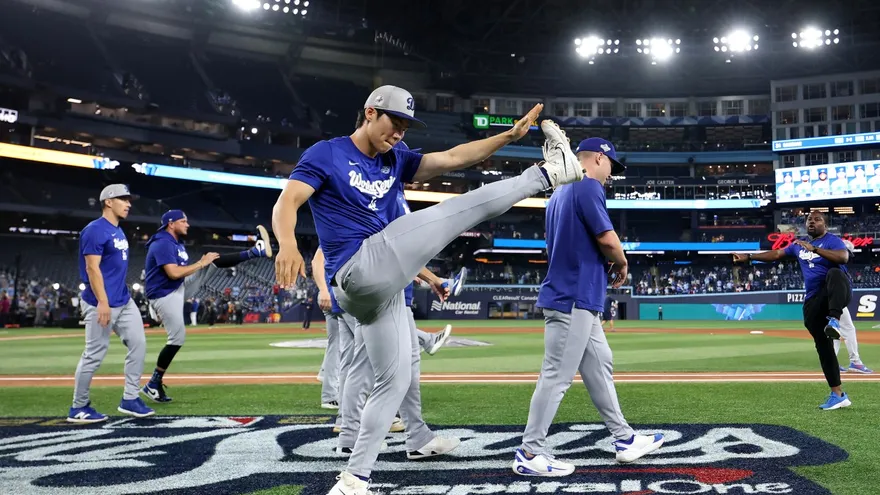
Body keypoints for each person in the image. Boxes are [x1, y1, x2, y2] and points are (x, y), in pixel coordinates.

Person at [272, 85, 584, 495]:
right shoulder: (326, 153)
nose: (399, 132)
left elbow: (454, 158)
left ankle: (354, 478)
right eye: (393, 122)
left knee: (394, 381)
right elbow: (287, 201)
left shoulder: (396, 158)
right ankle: (549, 173)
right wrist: (289, 244)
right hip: (358, 268)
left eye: (405, 126)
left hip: (379, 290)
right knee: (453, 211)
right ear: (369, 113)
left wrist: (508, 137)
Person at [512, 138, 664, 477]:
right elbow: (607, 239)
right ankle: (529, 452)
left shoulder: (559, 193)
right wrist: (622, 262)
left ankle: (624, 439)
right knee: (556, 375)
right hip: (574, 297)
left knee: (600, 364)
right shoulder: (588, 184)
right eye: (611, 165)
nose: (611, 174)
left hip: (577, 296)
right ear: (598, 158)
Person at [141, 209, 273, 403]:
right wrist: (201, 263)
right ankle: (153, 383)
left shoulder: (174, 242)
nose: (187, 224)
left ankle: (256, 251)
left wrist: (205, 262)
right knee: (177, 338)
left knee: (212, 261)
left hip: (176, 288)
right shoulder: (162, 242)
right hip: (164, 293)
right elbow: (173, 273)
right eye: (183, 221)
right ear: (171, 223)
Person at [733, 210, 853, 410]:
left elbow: (843, 258)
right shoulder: (798, 245)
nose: (812, 222)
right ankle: (838, 394)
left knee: (834, 273)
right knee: (824, 348)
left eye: (817, 219)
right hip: (814, 300)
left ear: (825, 224)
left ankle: (834, 319)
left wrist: (815, 249)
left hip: (836, 293)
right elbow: (777, 253)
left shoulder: (832, 241)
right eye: (809, 220)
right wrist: (749, 257)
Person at [68, 184, 154, 423]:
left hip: (123, 301)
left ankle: (130, 399)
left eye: (129, 199)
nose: (128, 204)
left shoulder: (118, 230)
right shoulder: (95, 230)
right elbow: (92, 268)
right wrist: (103, 302)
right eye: (123, 199)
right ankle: (79, 407)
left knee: (138, 345)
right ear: (108, 201)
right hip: (100, 303)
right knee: (94, 354)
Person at [834, 240, 873, 374]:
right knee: (848, 328)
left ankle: (831, 363)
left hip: (824, 299)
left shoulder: (829, 261)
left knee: (834, 332)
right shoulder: (837, 265)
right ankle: (855, 362)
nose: (849, 256)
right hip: (833, 301)